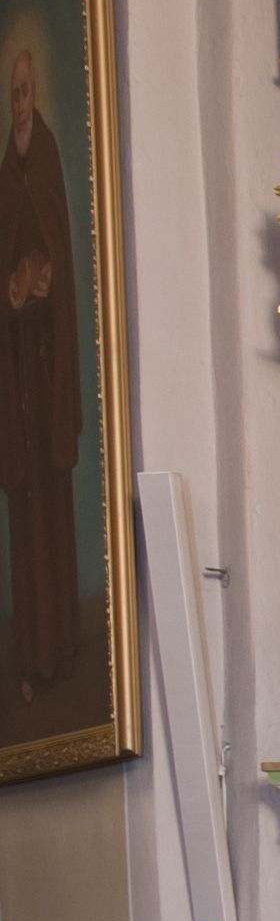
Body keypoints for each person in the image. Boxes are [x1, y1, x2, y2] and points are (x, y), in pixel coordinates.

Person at [0, 45, 81, 706]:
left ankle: (62, 647)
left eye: (26, 92)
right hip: (15, 376)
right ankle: (32, 655)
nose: (20, 104)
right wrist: (14, 289)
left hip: (47, 369)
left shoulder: (47, 156)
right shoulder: (5, 173)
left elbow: (60, 251)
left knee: (51, 506)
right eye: (13, 95)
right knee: (23, 516)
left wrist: (44, 277)